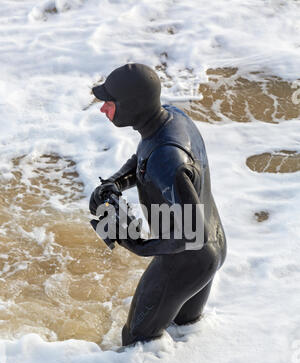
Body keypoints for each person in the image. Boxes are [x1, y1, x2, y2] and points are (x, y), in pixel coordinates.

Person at [89, 63, 226, 347]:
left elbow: (191, 235)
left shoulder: (168, 160)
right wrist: (114, 182)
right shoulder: (173, 118)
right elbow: (144, 155)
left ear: (132, 105)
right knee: (184, 332)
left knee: (137, 340)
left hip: (186, 260)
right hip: (212, 247)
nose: (103, 109)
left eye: (109, 103)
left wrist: (139, 246)